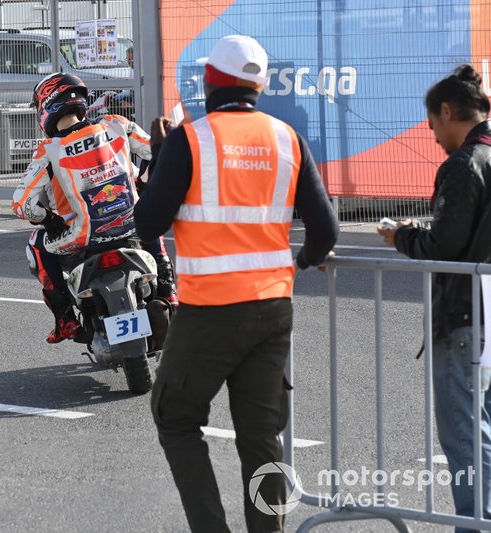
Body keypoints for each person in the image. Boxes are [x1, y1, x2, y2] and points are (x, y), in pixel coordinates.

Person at [135, 35, 338, 532]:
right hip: (272, 308)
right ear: (260, 85)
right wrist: (300, 262)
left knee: (177, 418)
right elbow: (326, 230)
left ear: (209, 82)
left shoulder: (191, 139)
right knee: (261, 436)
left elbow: (147, 224)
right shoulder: (287, 139)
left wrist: (160, 156)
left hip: (209, 312)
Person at [378, 64, 491, 530]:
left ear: (447, 111)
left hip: (465, 316)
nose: (434, 137)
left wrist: (400, 236)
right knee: (482, 430)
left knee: (465, 436)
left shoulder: (465, 164)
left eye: (432, 126)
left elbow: (442, 246)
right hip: (489, 313)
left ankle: (478, 522)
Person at [12, 72, 177, 344]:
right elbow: (160, 152)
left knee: (35, 245)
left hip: (80, 236)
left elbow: (22, 204)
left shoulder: (48, 150)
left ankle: (66, 319)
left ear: (46, 106)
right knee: (147, 214)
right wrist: (147, 185)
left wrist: (49, 220)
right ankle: (169, 290)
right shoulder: (117, 125)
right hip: (131, 225)